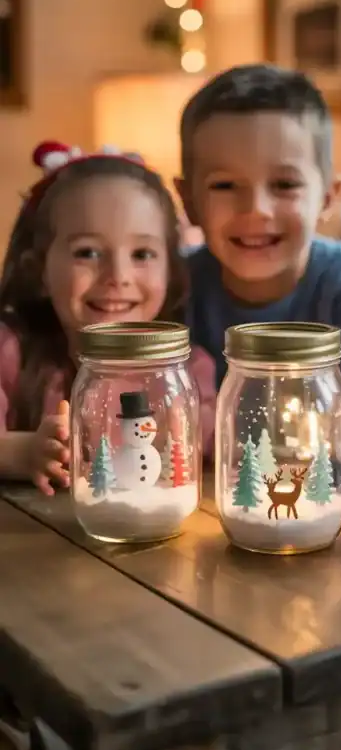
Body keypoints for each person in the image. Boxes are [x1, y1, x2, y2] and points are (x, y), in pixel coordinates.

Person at [175, 63, 341, 478]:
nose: (256, 209)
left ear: (328, 196)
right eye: (225, 185)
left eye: (284, 185)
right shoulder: (176, 285)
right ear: (187, 201)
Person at [0, 140, 216, 494]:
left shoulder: (187, 370)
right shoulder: (10, 353)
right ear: (38, 269)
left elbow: (222, 444)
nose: (118, 275)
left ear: (172, 271)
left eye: (142, 253)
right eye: (87, 252)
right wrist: (22, 453)